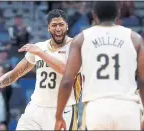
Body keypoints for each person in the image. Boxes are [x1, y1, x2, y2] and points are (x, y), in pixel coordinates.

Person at [55, 1, 144, 130]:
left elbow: (67, 81)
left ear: (94, 15)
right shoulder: (134, 38)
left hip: (97, 108)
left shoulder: (81, 38)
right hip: (128, 108)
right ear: (118, 14)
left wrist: (58, 116)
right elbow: (142, 80)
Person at [0, 9, 82, 130]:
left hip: (63, 110)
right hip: (35, 108)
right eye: (54, 25)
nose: (58, 28)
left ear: (67, 26)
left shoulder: (75, 46)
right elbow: (16, 73)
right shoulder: (40, 47)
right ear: (48, 28)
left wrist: (40, 53)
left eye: (61, 24)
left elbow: (66, 71)